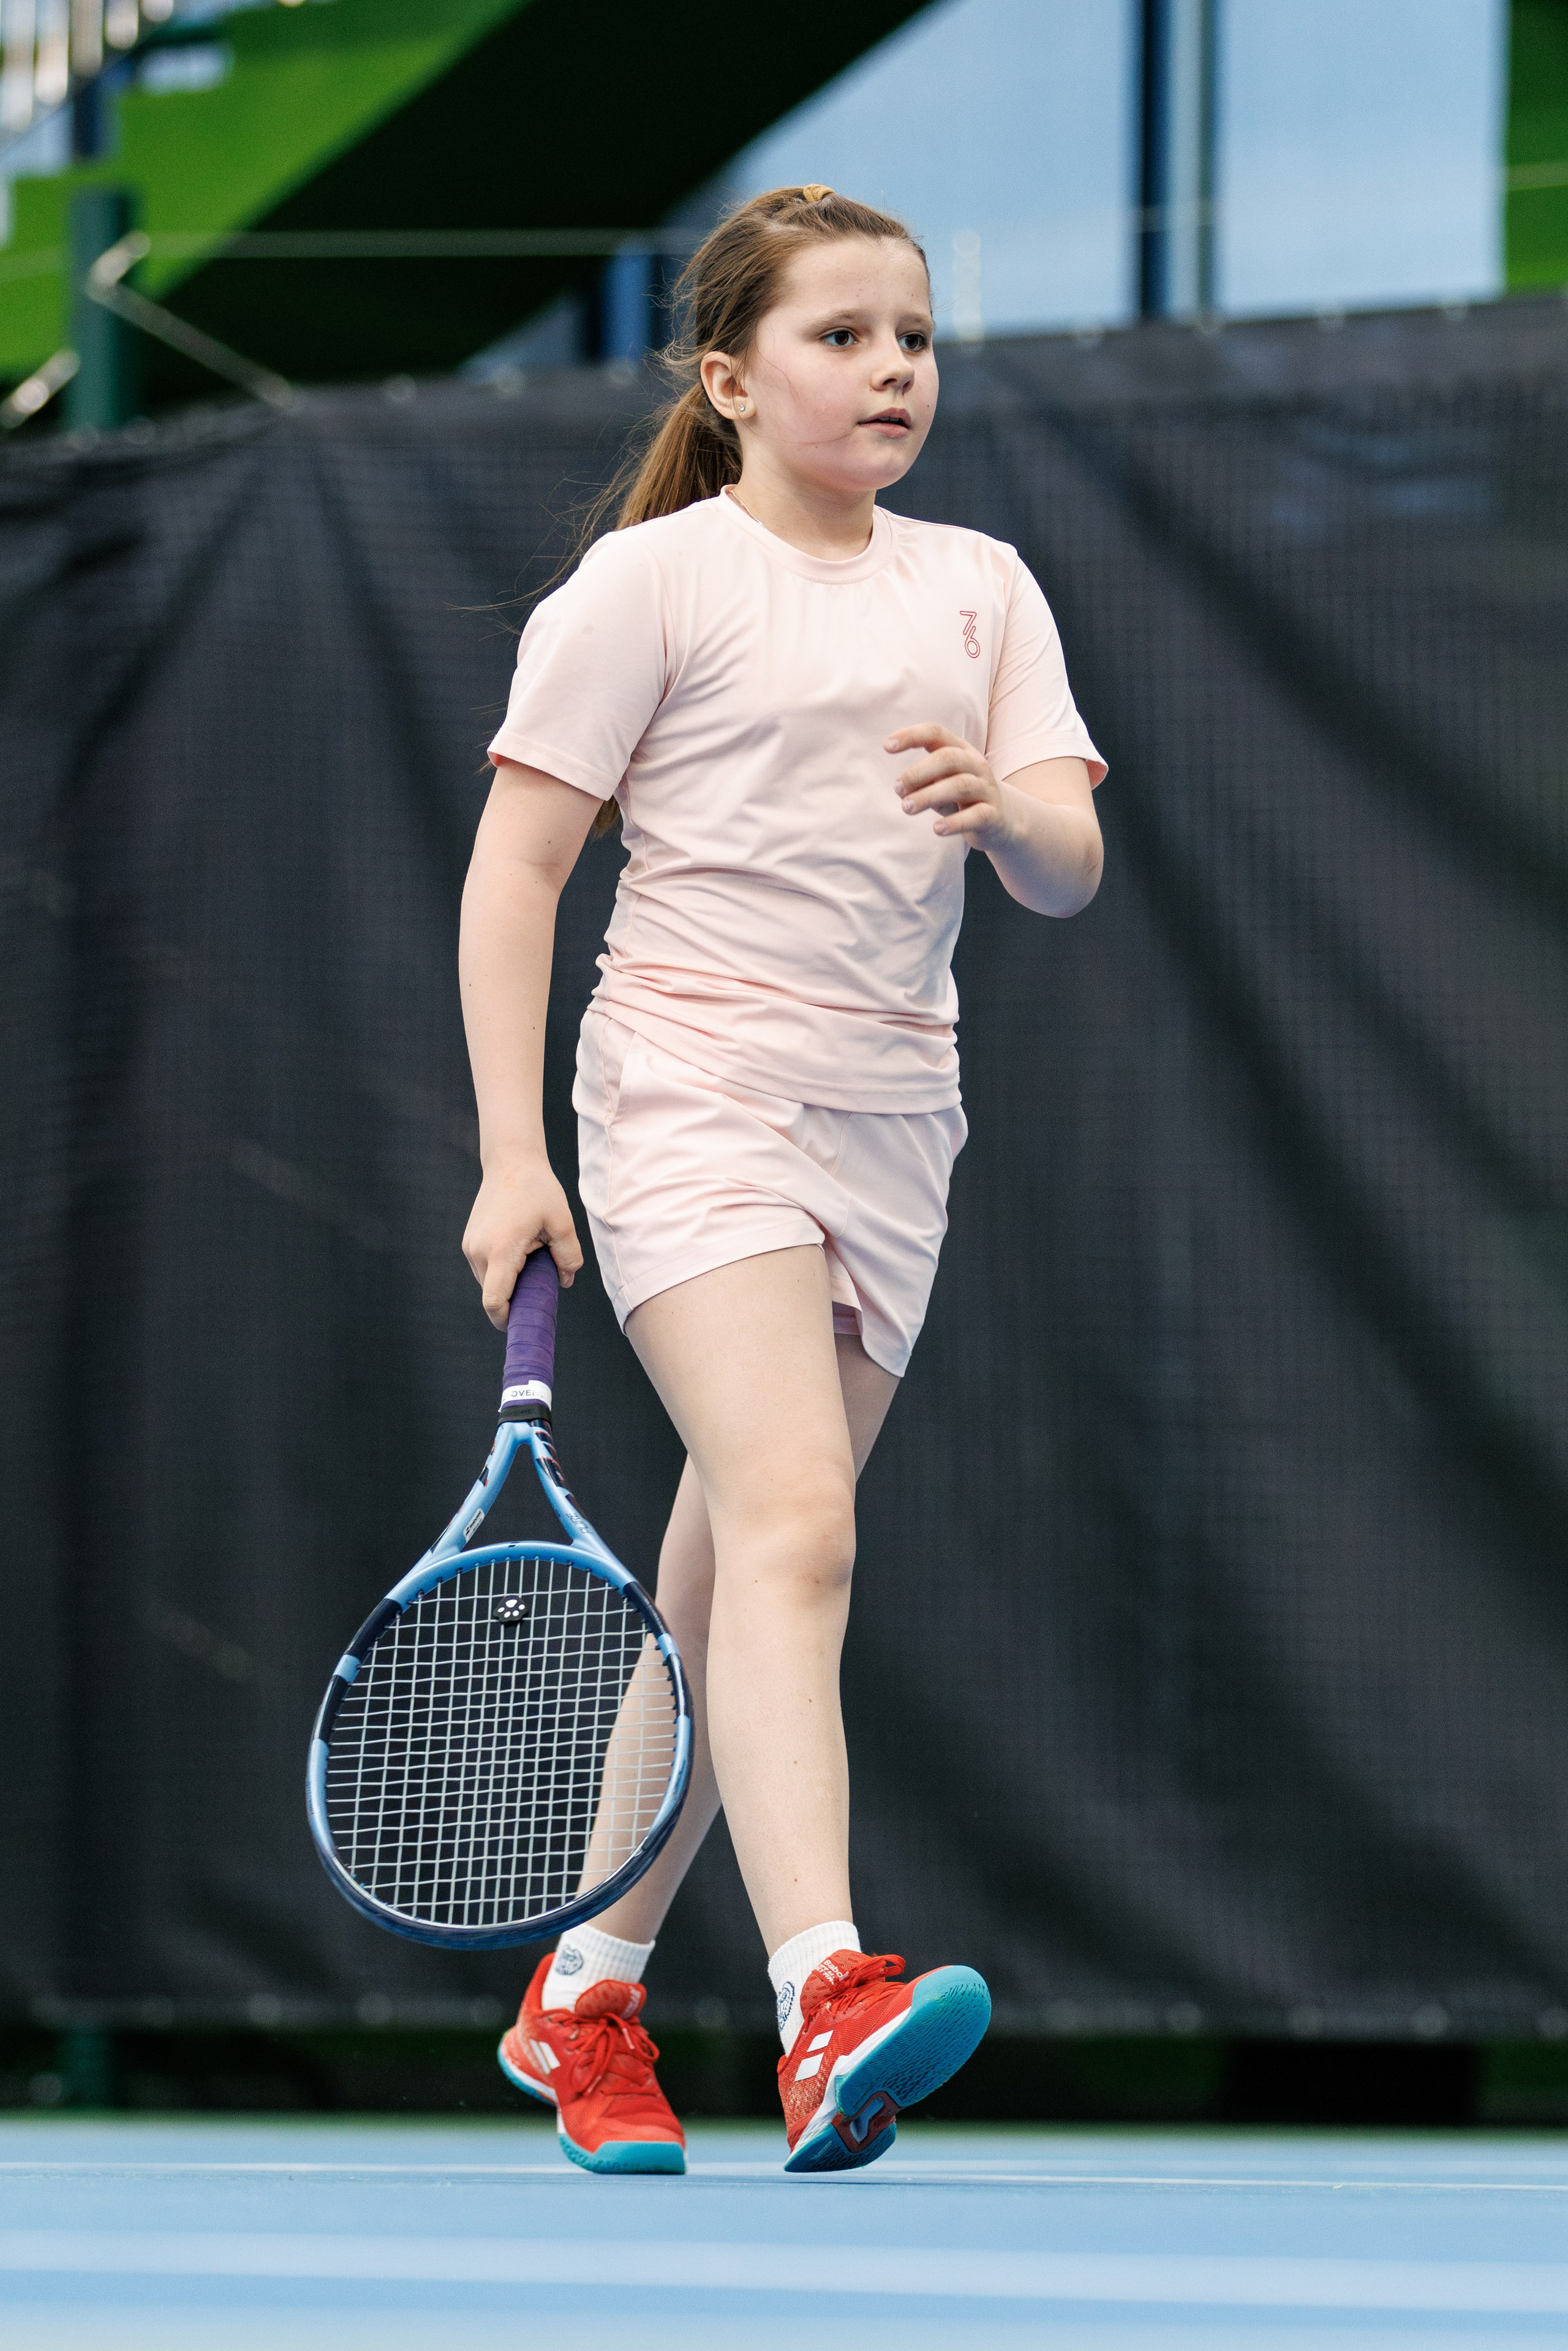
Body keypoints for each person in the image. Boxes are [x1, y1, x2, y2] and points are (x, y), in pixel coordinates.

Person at [459, 185, 1105, 2176]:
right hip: (690, 1091)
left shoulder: (984, 585)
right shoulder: (645, 589)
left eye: (915, 334)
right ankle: (830, 1995)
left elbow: (1067, 866)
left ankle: (584, 1996)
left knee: (732, 1569)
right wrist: (513, 1154)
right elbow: (517, 878)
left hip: (897, 1121)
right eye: (845, 336)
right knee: (801, 1526)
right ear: (735, 378)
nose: (895, 366)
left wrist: (1005, 807)